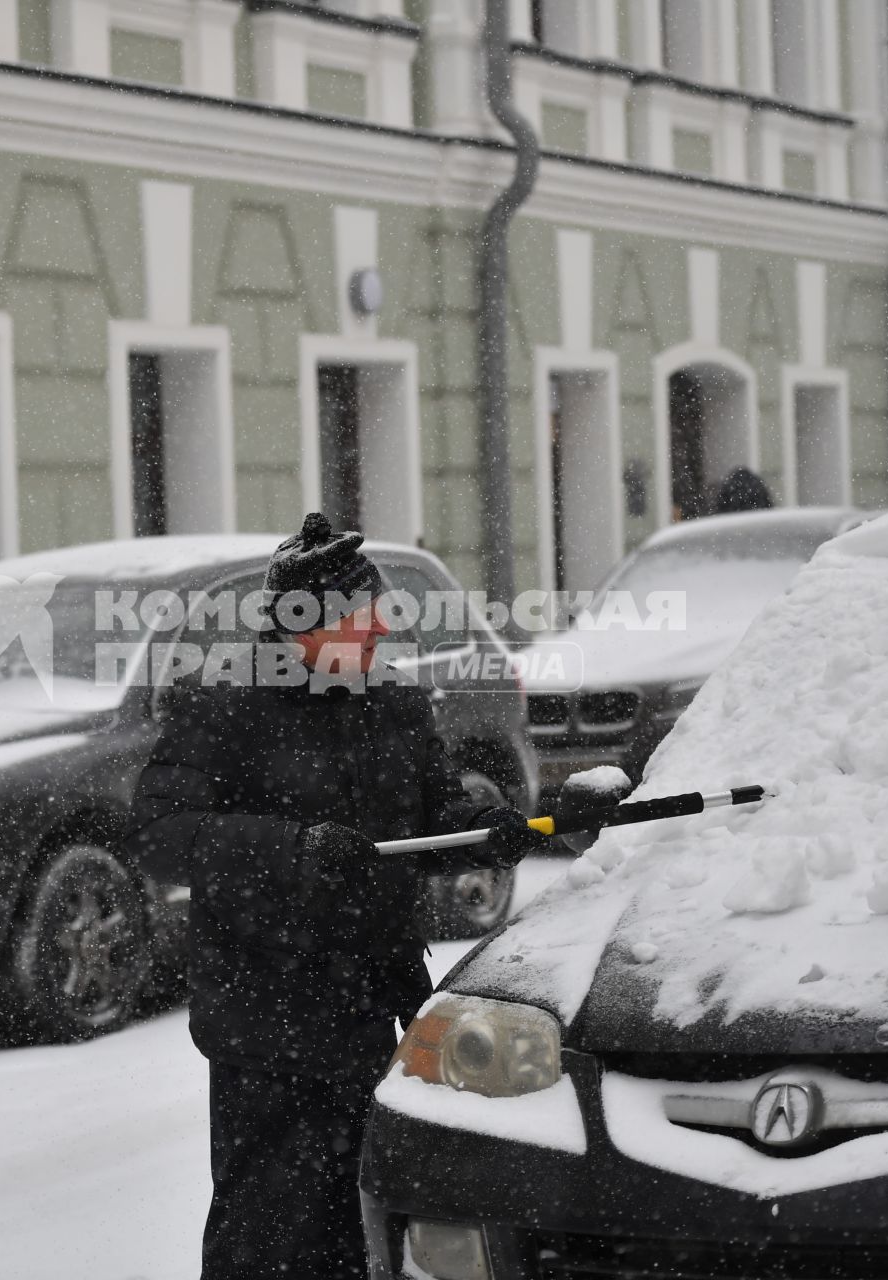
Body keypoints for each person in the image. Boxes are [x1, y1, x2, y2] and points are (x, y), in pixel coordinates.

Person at [124, 513, 551, 1280]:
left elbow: (435, 812)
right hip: (269, 1022)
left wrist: (487, 830)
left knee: (374, 1223)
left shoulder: (394, 706)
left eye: (382, 616)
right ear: (303, 629)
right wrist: (292, 851)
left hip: (378, 1012)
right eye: (363, 620)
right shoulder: (225, 705)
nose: (381, 634)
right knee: (270, 1232)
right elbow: (162, 832)